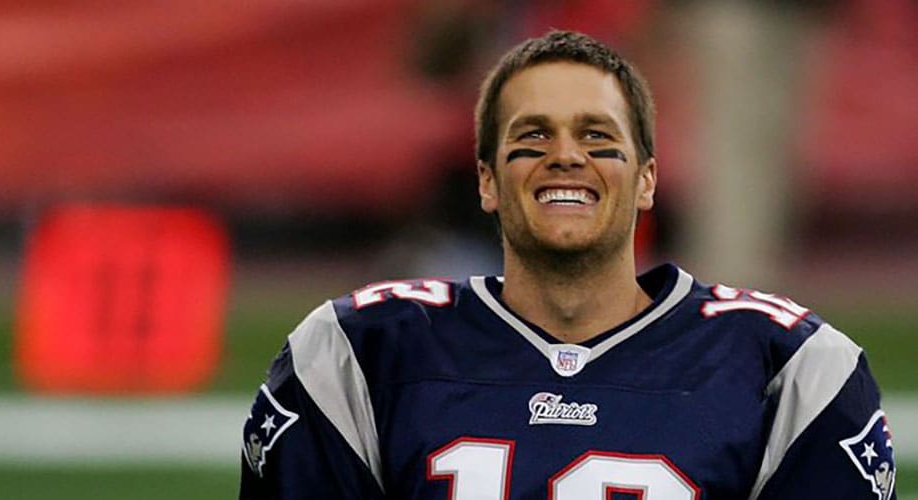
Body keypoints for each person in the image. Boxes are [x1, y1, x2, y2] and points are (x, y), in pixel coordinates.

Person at [239, 31, 896, 500]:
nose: (565, 156)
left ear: (646, 179)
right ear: (486, 181)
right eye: (532, 136)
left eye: (597, 136)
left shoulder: (789, 367)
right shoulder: (360, 351)